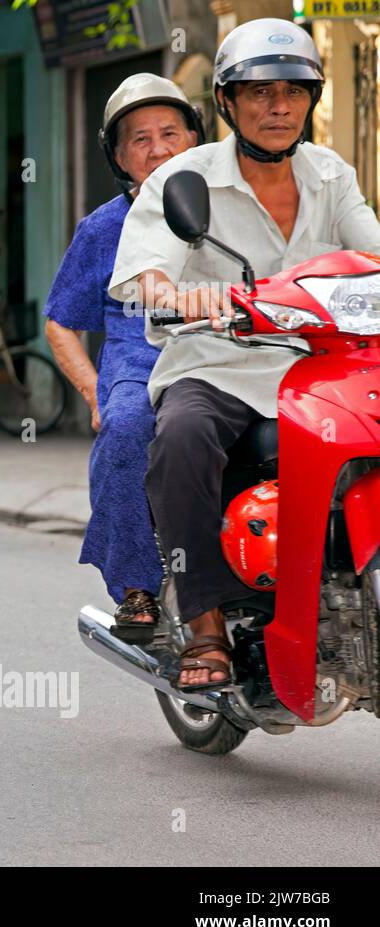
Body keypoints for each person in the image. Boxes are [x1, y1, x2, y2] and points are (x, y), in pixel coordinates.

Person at [108, 18, 380, 689]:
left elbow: (371, 254)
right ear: (226, 103)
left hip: (320, 367)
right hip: (218, 362)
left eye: (293, 90)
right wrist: (174, 292)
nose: (278, 106)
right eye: (259, 93)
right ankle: (204, 626)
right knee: (181, 436)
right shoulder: (186, 177)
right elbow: (144, 271)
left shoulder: (329, 173)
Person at [44, 75, 201, 639]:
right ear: (117, 155)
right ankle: (137, 585)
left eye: (169, 133)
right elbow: (60, 322)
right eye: (139, 139)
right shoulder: (104, 228)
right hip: (139, 358)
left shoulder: (235, 205)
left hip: (224, 346)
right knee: (129, 427)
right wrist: (94, 393)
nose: (158, 148)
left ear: (195, 139)